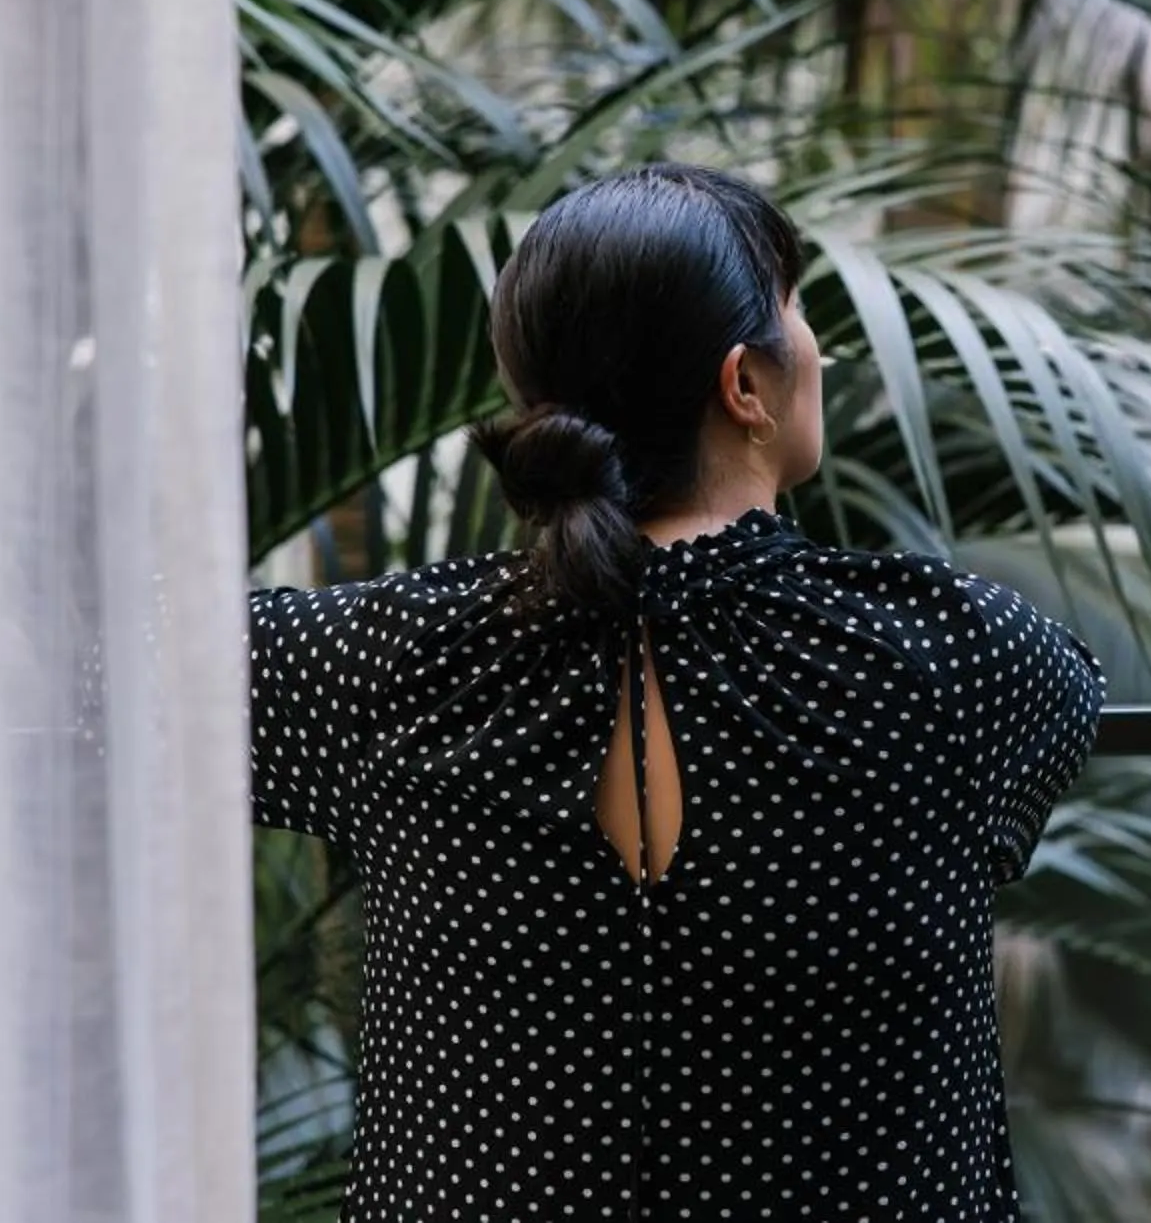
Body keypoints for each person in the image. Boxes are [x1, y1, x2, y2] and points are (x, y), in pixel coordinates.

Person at [248, 163, 1106, 1220]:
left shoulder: (387, 660)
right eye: (798, 312)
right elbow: (1067, 698)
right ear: (745, 386)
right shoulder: (949, 661)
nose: (824, 350)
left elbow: (113, 662)